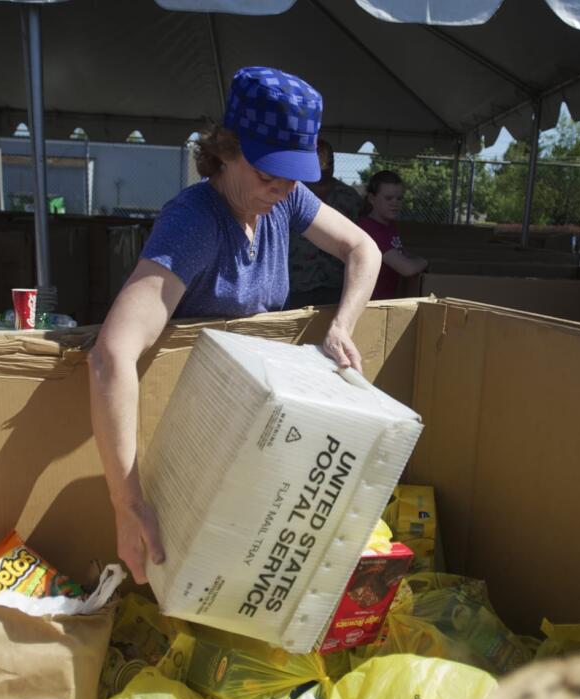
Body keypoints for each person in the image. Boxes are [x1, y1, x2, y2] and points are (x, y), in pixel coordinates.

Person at [89, 66, 380, 583]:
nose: (279, 189)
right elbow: (111, 354)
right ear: (224, 150)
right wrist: (126, 503)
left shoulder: (285, 200)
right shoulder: (196, 220)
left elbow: (364, 248)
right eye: (267, 173)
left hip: (250, 429)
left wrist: (343, 325)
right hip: (183, 437)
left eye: (292, 176)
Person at [285, 139, 363, 308]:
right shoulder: (291, 192)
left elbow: (362, 235)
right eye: (320, 162)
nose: (325, 167)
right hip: (298, 281)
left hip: (335, 282)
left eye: (329, 162)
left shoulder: (349, 197)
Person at [357, 171, 428, 300]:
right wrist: (425, 262)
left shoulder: (388, 225)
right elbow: (407, 268)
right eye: (388, 198)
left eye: (399, 198)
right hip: (369, 306)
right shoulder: (370, 230)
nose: (395, 203)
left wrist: (414, 259)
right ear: (372, 199)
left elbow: (402, 253)